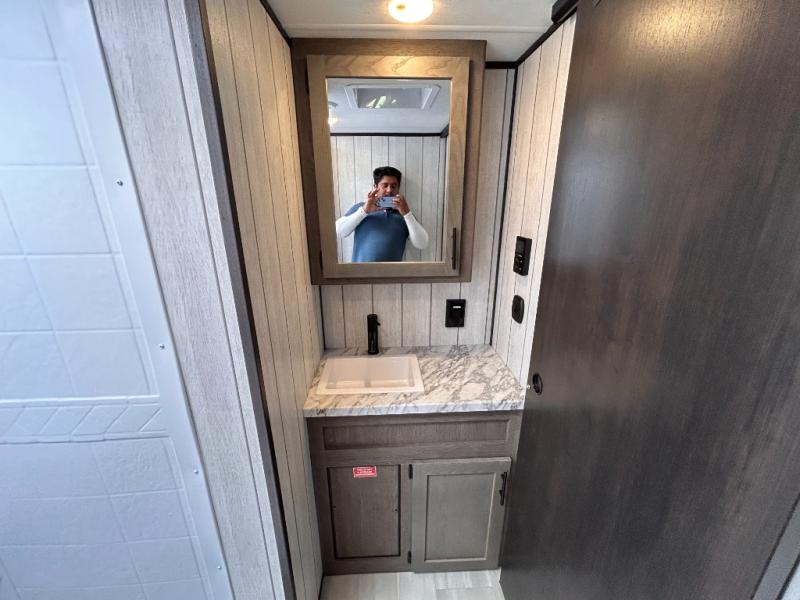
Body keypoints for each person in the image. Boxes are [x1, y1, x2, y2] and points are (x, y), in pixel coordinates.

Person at [335, 166, 429, 262]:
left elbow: (422, 244)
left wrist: (407, 214)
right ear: (375, 187)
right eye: (385, 185)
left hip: (392, 271)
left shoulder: (404, 215)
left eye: (393, 186)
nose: (389, 190)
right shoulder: (361, 208)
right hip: (360, 271)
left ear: (398, 188)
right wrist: (364, 211)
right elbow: (339, 231)